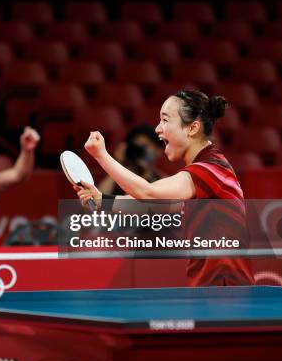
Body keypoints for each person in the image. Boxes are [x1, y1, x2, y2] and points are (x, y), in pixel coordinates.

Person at [75, 90, 255, 286]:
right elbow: (154, 207)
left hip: (226, 291)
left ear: (192, 128)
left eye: (165, 120)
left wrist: (102, 156)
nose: (157, 129)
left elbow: (148, 193)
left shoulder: (211, 169)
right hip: (211, 288)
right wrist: (103, 200)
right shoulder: (207, 170)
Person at [98, 125, 165, 196]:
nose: (139, 151)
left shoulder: (165, 181)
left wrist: (147, 175)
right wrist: (118, 164)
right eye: (136, 147)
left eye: (144, 146)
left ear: (158, 151)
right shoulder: (119, 177)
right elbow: (97, 201)